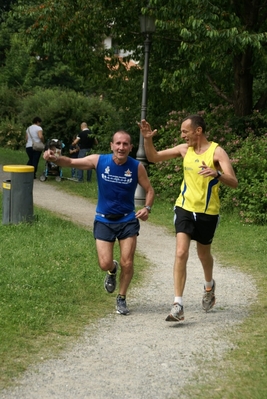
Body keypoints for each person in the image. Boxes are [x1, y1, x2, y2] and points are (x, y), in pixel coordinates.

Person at [43, 130, 154, 315]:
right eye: (118, 143)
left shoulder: (136, 167)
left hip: (127, 220)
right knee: (104, 263)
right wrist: (54, 159)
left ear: (131, 147)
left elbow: (150, 190)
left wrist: (147, 208)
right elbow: (70, 162)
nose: (121, 147)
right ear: (111, 145)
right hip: (104, 219)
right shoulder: (99, 161)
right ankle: (112, 270)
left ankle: (122, 298)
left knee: (128, 262)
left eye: (125, 144)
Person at [139, 115, 238, 322]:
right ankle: (178, 304)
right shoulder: (185, 150)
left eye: (185, 131)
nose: (182, 135)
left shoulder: (217, 152)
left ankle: (209, 286)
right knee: (181, 251)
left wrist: (216, 174)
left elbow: (233, 181)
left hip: (208, 212)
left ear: (198, 131)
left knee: (203, 255)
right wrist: (147, 139)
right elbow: (154, 157)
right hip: (184, 207)